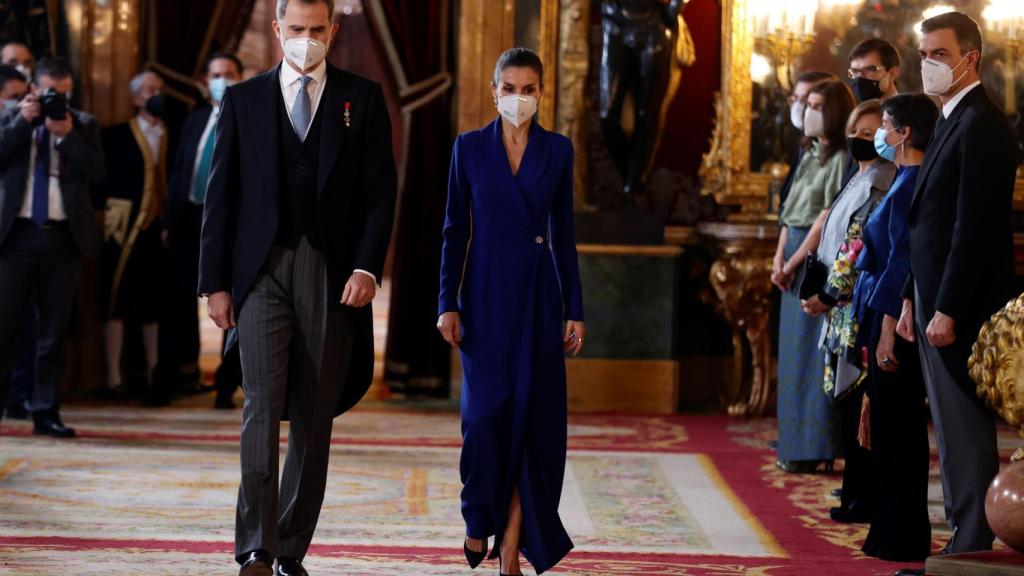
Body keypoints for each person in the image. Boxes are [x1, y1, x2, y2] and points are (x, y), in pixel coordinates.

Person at [198, 0, 397, 573]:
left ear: (333, 30)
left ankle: (288, 546)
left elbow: (380, 194)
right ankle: (255, 544)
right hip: (261, 271)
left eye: (318, 30)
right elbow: (221, 197)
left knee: (315, 412)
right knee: (260, 404)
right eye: (297, 29)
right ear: (276, 28)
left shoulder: (363, 97)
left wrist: (366, 266)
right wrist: (214, 284)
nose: (307, 39)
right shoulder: (243, 99)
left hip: (333, 274)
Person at [437, 47, 584, 576]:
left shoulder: (558, 150)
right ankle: (478, 518)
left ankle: (510, 552)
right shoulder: (469, 149)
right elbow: (455, 230)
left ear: (541, 93)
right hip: (483, 299)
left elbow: (564, 236)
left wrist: (576, 309)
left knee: (532, 426)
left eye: (529, 89)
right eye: (510, 88)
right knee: (483, 421)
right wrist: (445, 302)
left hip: (539, 301)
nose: (519, 98)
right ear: (494, 91)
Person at [895, 11, 1018, 561]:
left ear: (970, 58)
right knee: (943, 421)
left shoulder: (984, 123)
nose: (927, 64)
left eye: (938, 55)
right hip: (930, 291)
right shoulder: (950, 117)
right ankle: (960, 529)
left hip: (959, 299)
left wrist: (945, 307)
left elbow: (974, 227)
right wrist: (910, 299)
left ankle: (973, 537)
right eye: (923, 54)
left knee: (963, 421)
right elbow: (929, 218)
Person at [0, 57, 105, 436]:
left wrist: (66, 135)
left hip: (63, 238)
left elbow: (97, 172)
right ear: (34, 89)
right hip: (16, 235)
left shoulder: (84, 124)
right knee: (5, 327)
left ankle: (46, 411)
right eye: (49, 93)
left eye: (64, 93)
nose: (57, 99)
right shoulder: (12, 118)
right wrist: (22, 123)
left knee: (52, 333)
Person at [802, 99, 895, 520]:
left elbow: (857, 247)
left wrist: (829, 291)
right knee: (843, 402)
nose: (861, 138)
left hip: (856, 306)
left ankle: (864, 494)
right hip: (838, 309)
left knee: (859, 403)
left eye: (870, 132)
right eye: (856, 130)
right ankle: (854, 488)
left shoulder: (882, 180)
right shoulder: (856, 177)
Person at [855, 93, 937, 564]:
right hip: (878, 309)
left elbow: (900, 263)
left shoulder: (911, 184)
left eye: (885, 124)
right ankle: (888, 529)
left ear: (904, 133)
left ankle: (902, 535)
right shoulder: (905, 179)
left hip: (893, 320)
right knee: (887, 427)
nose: (881, 134)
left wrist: (887, 328)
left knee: (897, 428)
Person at [771, 79, 854, 474]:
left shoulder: (842, 157)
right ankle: (792, 440)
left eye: (817, 105)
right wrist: (778, 257)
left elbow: (826, 216)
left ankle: (814, 444)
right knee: (791, 354)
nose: (808, 111)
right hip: (790, 248)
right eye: (807, 103)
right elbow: (789, 211)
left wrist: (794, 262)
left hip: (813, 252)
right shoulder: (807, 152)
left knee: (811, 354)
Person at [157, 52, 244, 409]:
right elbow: (180, 172)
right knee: (175, 300)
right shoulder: (194, 121)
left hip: (233, 226)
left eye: (228, 73)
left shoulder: (251, 119)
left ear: (241, 77)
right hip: (190, 220)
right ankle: (170, 377)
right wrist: (168, 221)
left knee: (232, 305)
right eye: (215, 74)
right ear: (204, 82)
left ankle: (226, 386)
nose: (221, 79)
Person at [98, 70, 168, 400]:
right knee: (116, 299)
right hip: (123, 228)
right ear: (136, 97)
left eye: (159, 89)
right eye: (149, 90)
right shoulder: (115, 136)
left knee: (152, 303)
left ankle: (154, 374)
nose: (155, 95)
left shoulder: (173, 132)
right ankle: (114, 377)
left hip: (157, 230)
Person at [779, 70, 837, 210]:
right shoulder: (804, 144)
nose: (799, 106)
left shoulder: (836, 152)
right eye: (795, 98)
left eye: (806, 100)